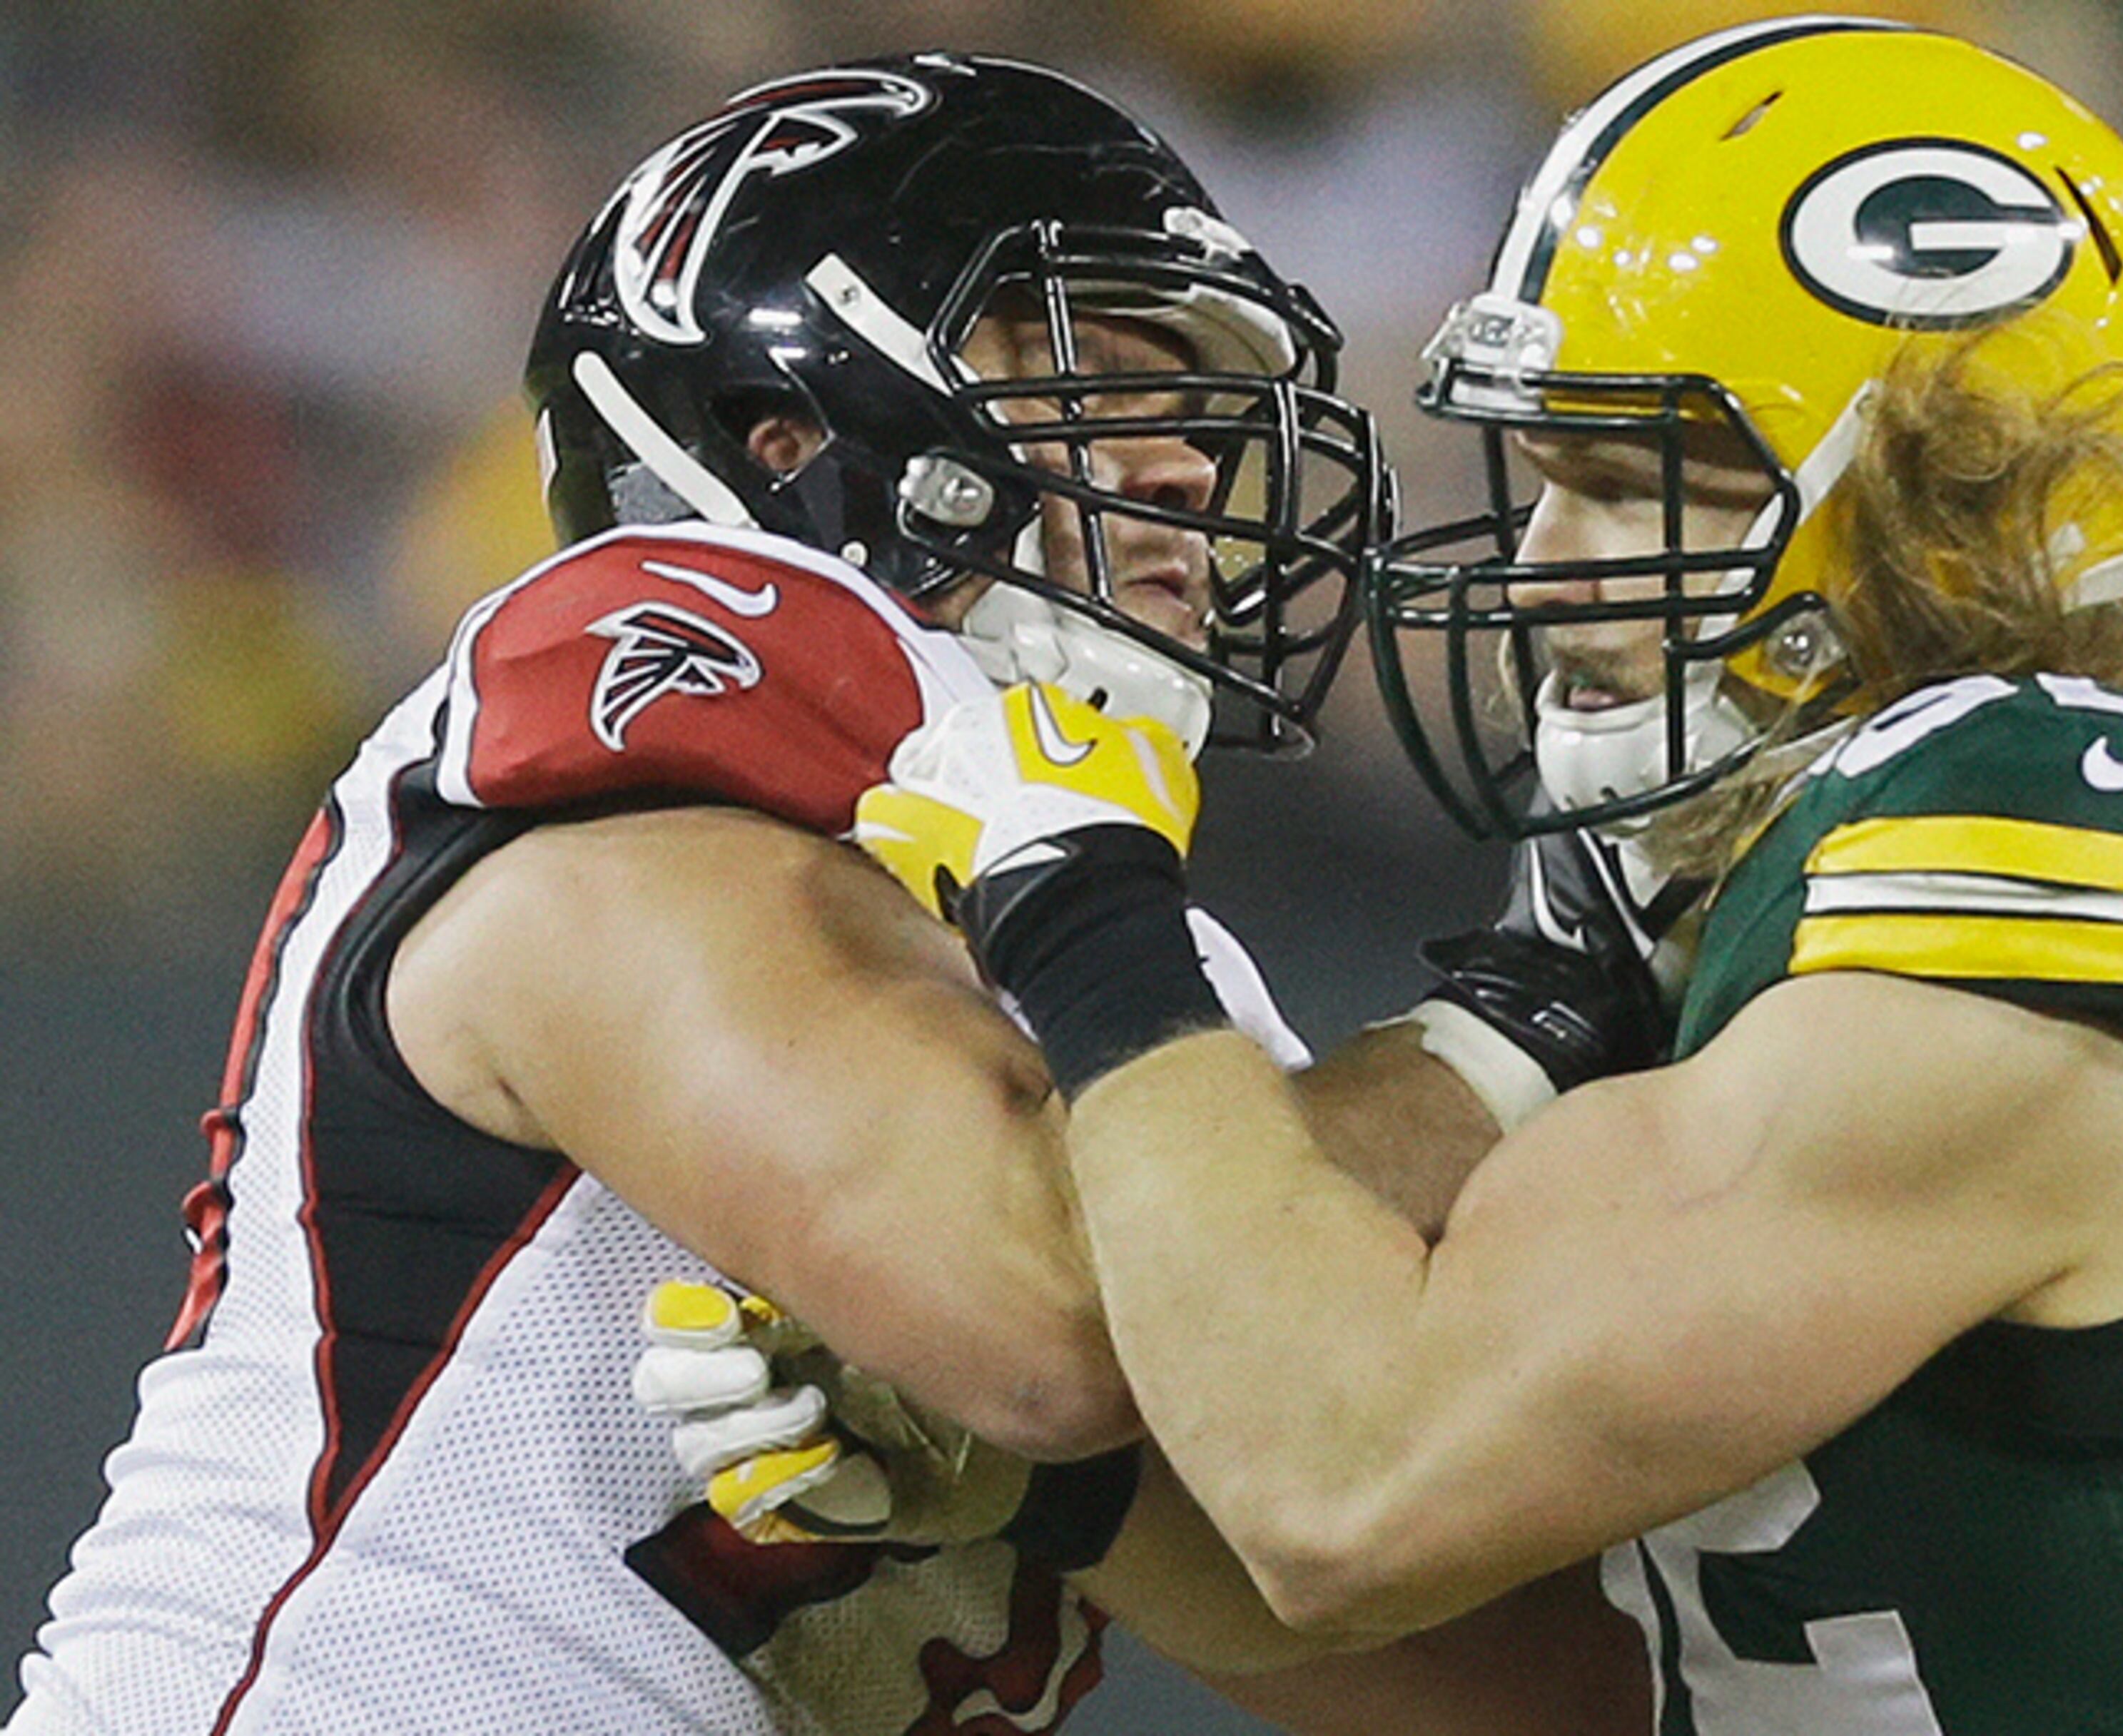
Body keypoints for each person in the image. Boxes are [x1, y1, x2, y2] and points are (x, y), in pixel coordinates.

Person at [843, 19, 2123, 1735]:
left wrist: (1078, 890)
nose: (1536, 574)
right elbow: (1393, 1485)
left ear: (1937, 493)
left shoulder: (2075, 823)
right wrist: (1005, 1445)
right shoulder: (1772, 863)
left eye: (1627, 484)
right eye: (1541, 480)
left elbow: (1348, 1479)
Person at [6, 52, 1651, 1736]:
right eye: (1093, 372)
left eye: (1195, 412)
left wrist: (1049, 1493)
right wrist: (1524, 1024)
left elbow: (1521, 1682)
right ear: (785, 435)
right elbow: (1066, 1315)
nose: (1180, 475)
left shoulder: (1139, 977)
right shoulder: (626, 821)